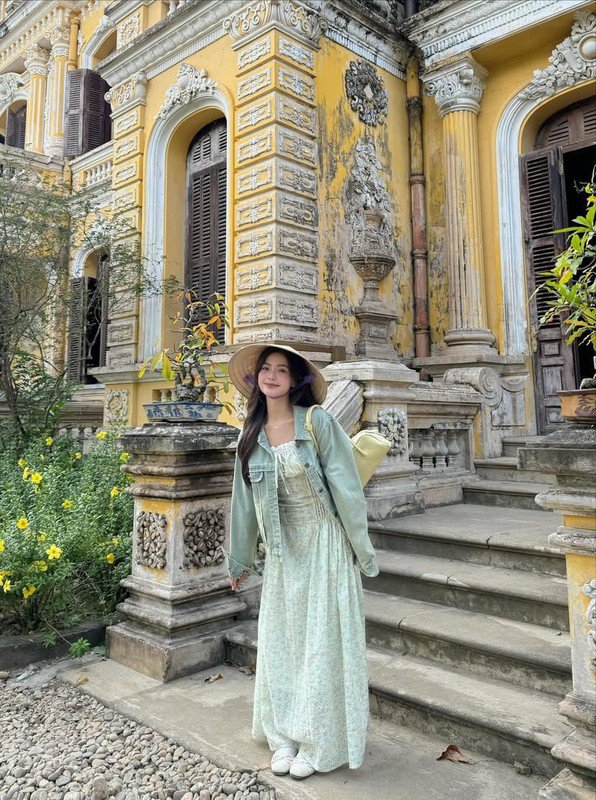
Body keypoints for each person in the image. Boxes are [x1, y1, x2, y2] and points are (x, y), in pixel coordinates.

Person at [223, 344, 379, 781]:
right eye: (265, 369)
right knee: (283, 644)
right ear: (256, 379)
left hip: (324, 542)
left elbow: (347, 489)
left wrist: (361, 551)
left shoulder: (317, 422)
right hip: (282, 550)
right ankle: (284, 736)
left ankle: (317, 740)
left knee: (320, 644)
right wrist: (240, 559)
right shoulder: (250, 435)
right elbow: (243, 503)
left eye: (281, 370)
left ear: (295, 381)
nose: (272, 376)